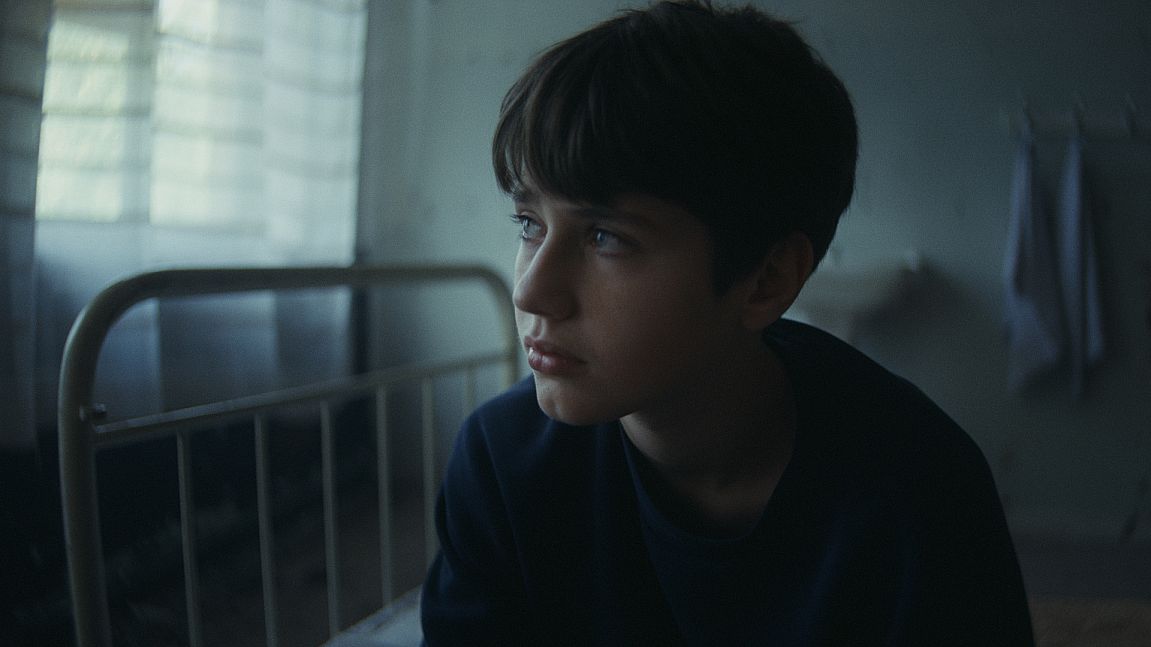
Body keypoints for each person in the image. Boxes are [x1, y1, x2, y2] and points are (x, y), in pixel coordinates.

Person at [420, 1, 1034, 645]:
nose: (530, 290)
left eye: (606, 237)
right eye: (529, 224)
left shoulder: (919, 492)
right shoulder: (502, 463)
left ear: (765, 280)